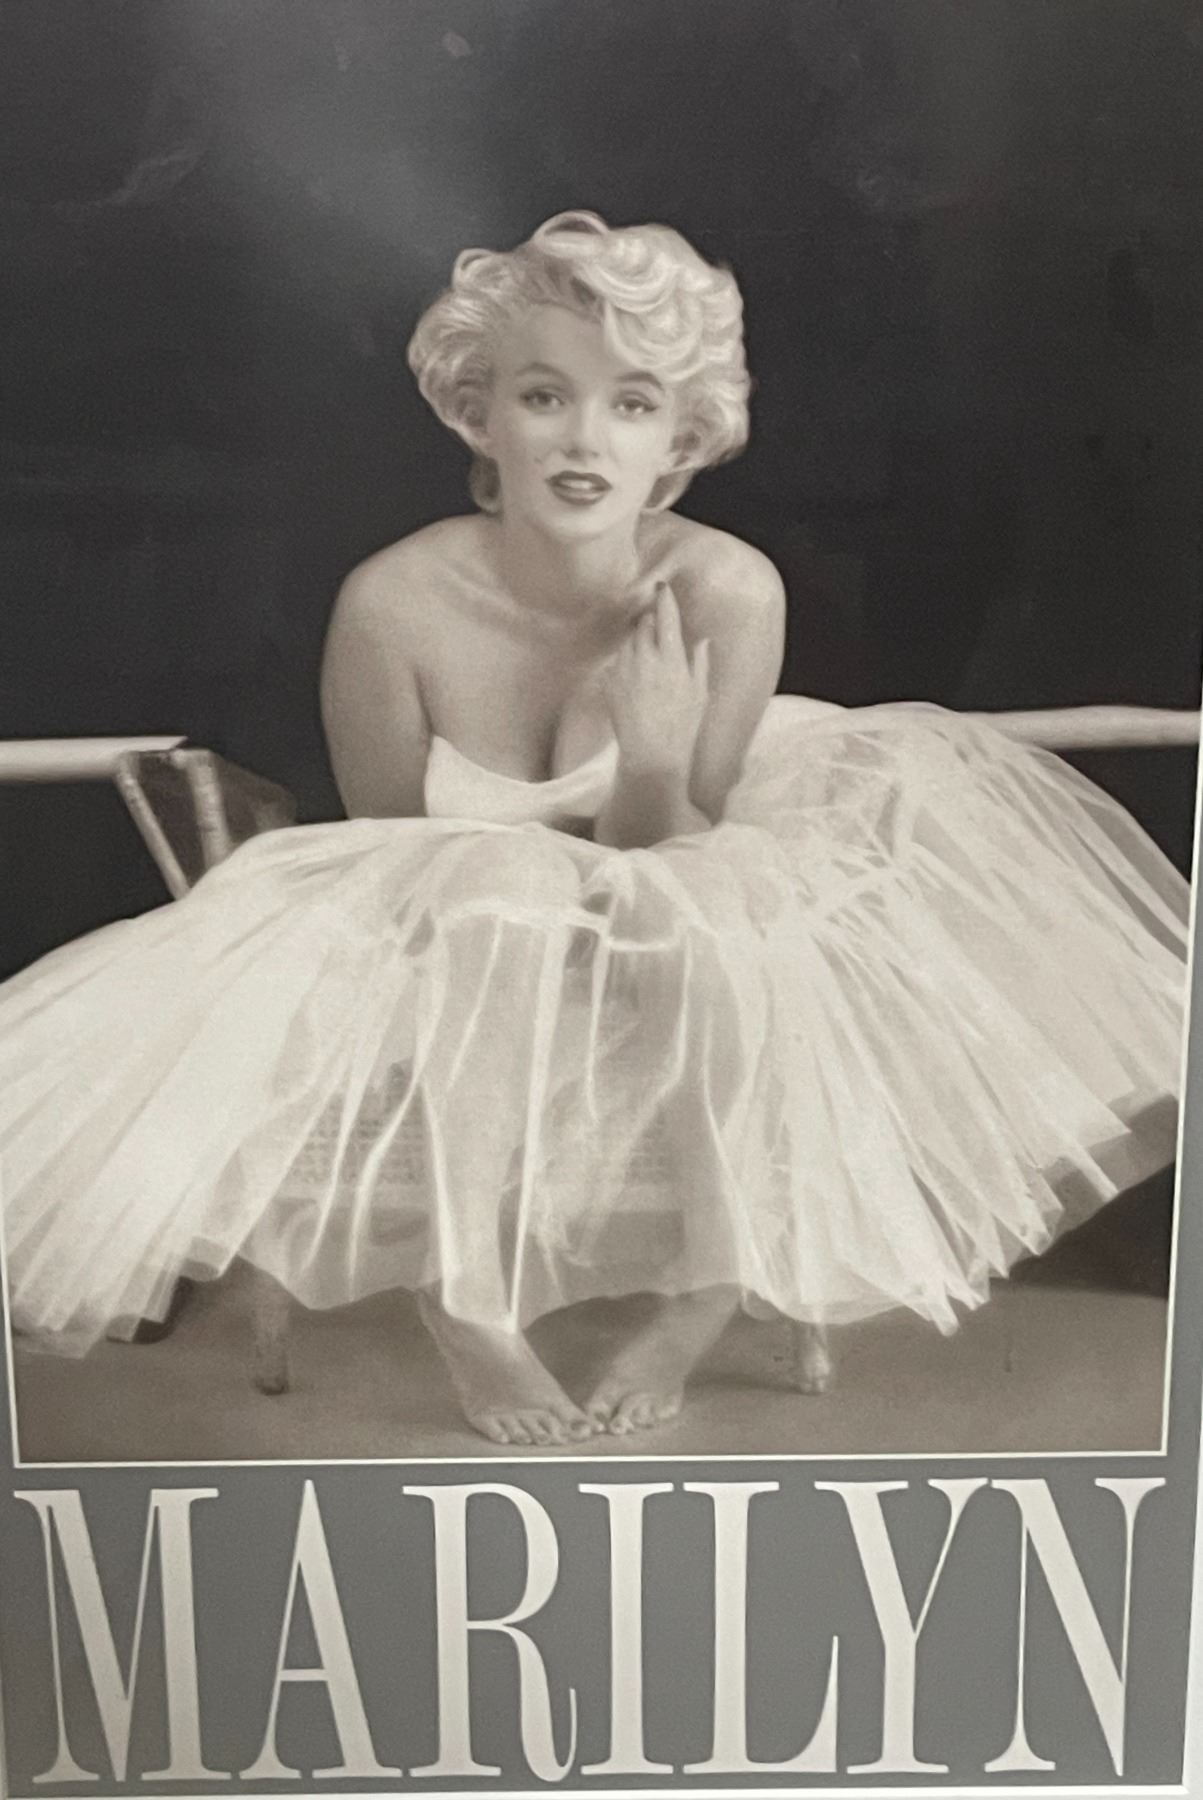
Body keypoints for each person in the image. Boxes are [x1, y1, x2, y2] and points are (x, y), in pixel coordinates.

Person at [0, 212, 1189, 1446]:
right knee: (491, 890)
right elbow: (394, 863)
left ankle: (708, 1282)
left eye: (632, 404)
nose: (584, 440)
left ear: (684, 434)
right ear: (480, 415)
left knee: (718, 919)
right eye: (544, 396)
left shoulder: (727, 589)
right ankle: (468, 1300)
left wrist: (656, 754)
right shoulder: (393, 604)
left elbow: (677, 857)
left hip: (668, 914)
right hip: (465, 949)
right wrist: (536, 880)